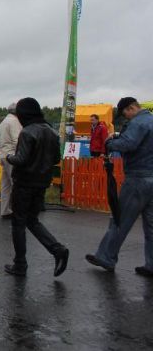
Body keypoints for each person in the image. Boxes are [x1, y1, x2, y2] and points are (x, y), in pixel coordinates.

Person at [86, 97, 153, 276]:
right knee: (151, 225)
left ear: (132, 108)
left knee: (120, 218)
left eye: (125, 113)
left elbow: (128, 144)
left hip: (138, 178)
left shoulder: (138, 123)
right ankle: (151, 264)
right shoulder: (151, 120)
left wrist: (109, 143)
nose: (126, 118)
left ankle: (106, 257)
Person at [4, 97, 68, 277]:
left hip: (24, 183)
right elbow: (56, 158)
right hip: (42, 182)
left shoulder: (27, 132)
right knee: (32, 220)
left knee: (18, 223)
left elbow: (21, 159)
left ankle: (20, 264)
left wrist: (8, 157)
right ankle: (57, 249)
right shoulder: (51, 131)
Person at [0, 102, 22, 219]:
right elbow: (17, 140)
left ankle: (5, 210)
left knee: (6, 185)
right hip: (12, 156)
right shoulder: (14, 122)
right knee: (16, 184)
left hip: (3, 155)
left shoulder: (4, 121)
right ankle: (18, 211)